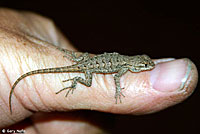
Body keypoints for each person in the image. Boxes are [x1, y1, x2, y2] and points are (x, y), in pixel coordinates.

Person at [0, 8, 198, 133]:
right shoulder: (123, 68)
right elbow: (117, 81)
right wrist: (119, 91)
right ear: (137, 64)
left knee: (82, 58)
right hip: (88, 69)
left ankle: (75, 68)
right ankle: (75, 81)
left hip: (87, 61)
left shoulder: (123, 62)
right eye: (144, 65)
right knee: (87, 81)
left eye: (145, 65)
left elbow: (112, 65)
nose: (146, 66)